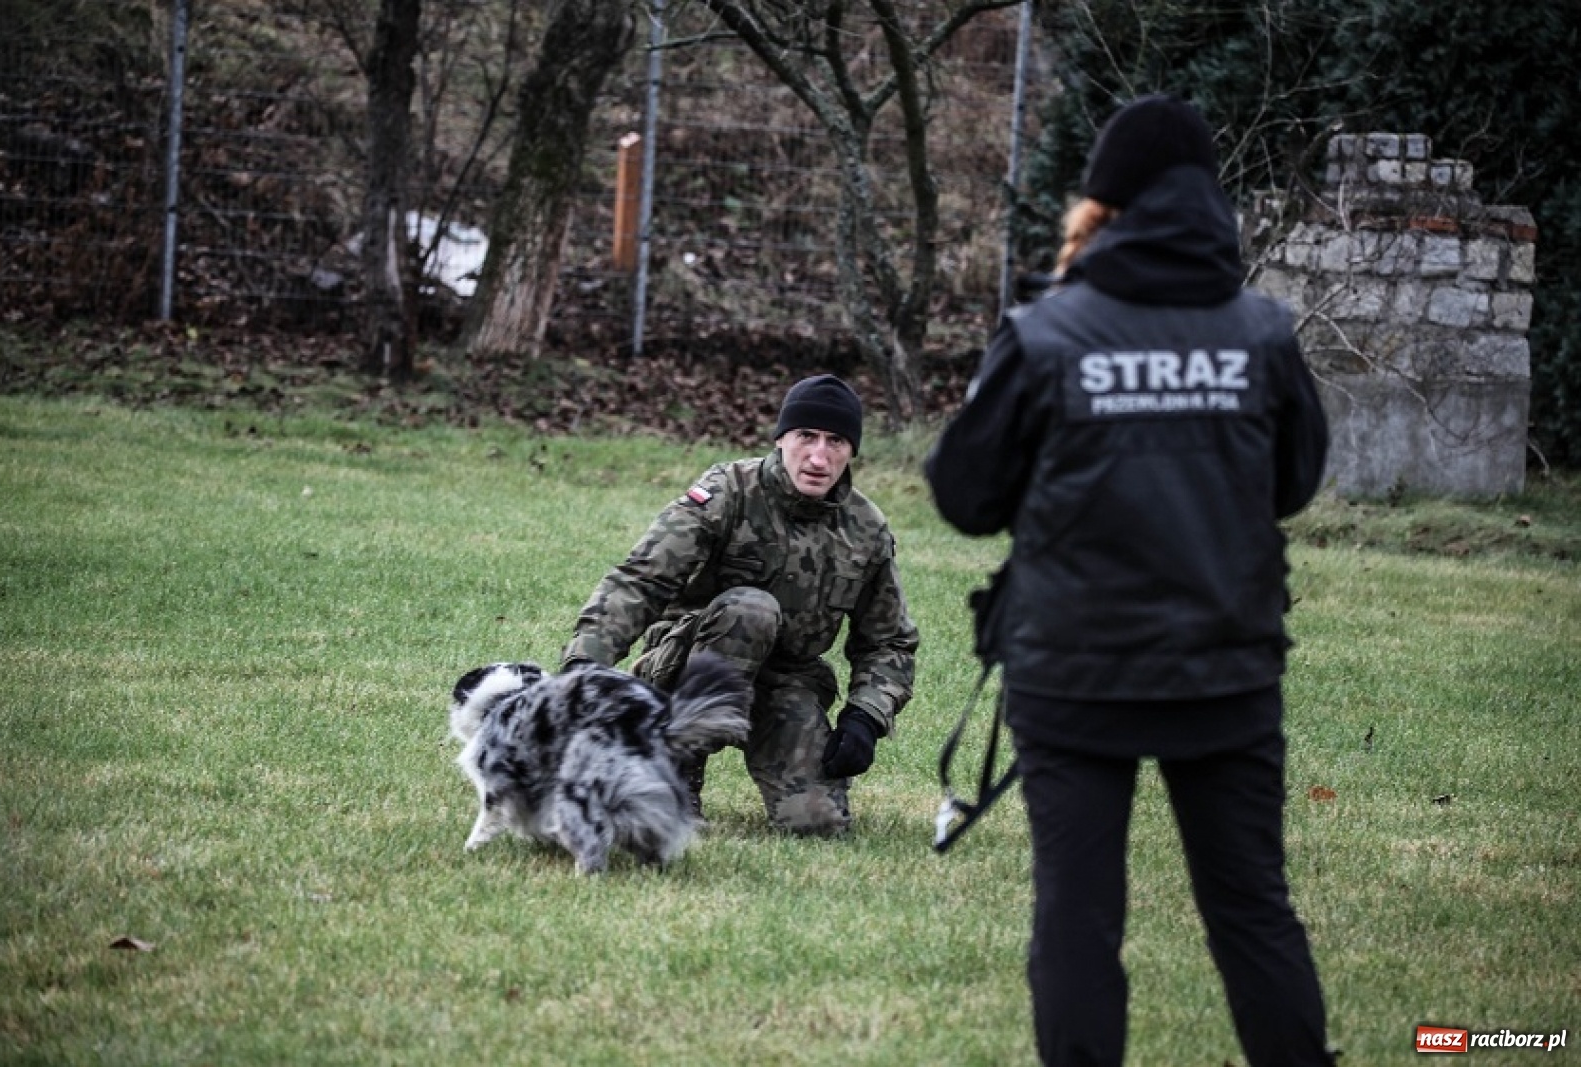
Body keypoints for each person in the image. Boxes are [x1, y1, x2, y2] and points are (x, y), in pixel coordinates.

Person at [925, 94, 1336, 1066]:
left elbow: (966, 494)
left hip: (1074, 673)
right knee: (1251, 908)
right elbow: (1294, 482)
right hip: (1225, 670)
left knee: (1076, 914)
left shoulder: (1047, 332)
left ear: (1101, 204)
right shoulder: (1262, 333)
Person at [562, 374, 919, 835]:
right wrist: (583, 667)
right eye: (806, 436)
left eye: (836, 441)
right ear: (780, 438)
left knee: (817, 823)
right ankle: (674, 770)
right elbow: (641, 580)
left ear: (852, 450)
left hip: (786, 680)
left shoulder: (866, 529)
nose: (818, 456)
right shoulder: (728, 491)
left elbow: (889, 641)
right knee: (751, 610)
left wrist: (866, 715)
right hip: (687, 667)